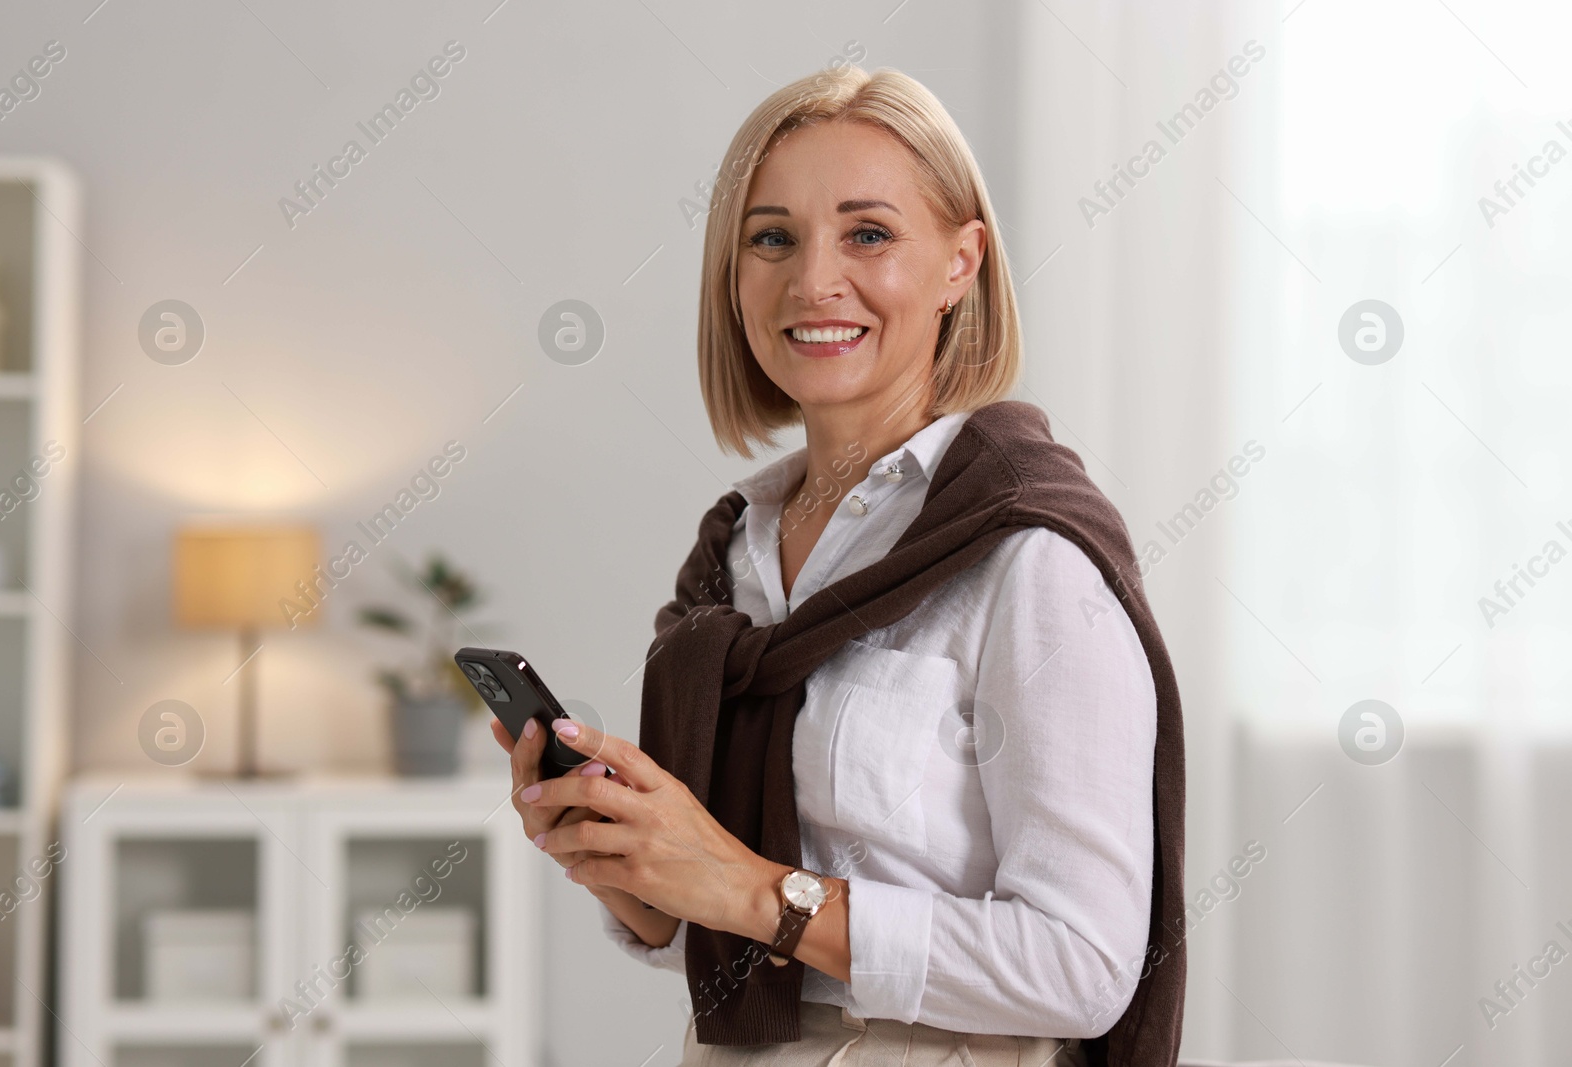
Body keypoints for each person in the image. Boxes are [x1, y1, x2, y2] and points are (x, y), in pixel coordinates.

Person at [494, 63, 1185, 1066]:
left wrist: (745, 885)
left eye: (867, 233)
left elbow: (1080, 964)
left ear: (961, 263)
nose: (813, 280)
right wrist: (623, 858)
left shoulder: (1030, 557)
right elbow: (720, 932)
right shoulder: (733, 554)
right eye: (771, 237)